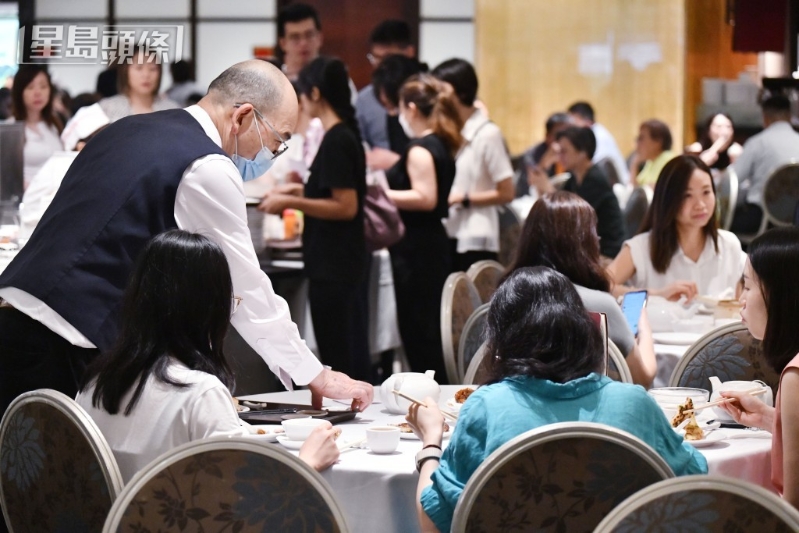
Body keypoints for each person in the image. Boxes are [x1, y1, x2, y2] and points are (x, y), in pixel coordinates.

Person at [0, 59, 373, 419]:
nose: (272, 154)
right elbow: (245, 289)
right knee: (51, 479)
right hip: (62, 340)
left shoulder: (126, 127)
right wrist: (314, 374)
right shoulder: (207, 166)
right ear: (242, 117)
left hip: (16, 310)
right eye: (277, 140)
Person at [406, 266, 708, 533]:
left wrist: (431, 442)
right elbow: (692, 481)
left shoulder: (486, 407)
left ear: (502, 340)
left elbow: (433, 522)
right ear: (582, 330)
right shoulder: (634, 403)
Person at [77, 230, 341, 482]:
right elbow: (239, 503)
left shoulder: (92, 385)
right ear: (208, 310)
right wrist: (308, 463)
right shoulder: (200, 394)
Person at [259, 57, 369, 381]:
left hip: (335, 263)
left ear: (316, 93)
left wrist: (292, 200)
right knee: (344, 342)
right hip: (338, 261)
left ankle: (349, 407)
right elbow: (331, 191)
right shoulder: (342, 134)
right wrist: (299, 188)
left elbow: (345, 205)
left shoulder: (337, 138)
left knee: (339, 347)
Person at [507, 191, 656, 386]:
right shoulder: (600, 306)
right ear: (582, 242)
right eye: (593, 231)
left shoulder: (507, 296)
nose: (599, 238)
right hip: (587, 415)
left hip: (520, 410)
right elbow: (643, 378)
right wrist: (643, 323)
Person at [385, 74, 462, 383]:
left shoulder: (419, 149)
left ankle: (425, 394)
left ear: (412, 108)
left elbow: (426, 197)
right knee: (428, 327)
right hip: (431, 244)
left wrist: (379, 194)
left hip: (417, 249)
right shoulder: (442, 143)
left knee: (420, 330)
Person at [719, 227, 799, 508]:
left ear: (780, 297)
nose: (741, 298)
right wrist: (768, 417)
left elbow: (794, 507)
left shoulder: (796, 376)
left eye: (749, 286)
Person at [607, 155, 745, 301]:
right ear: (668, 200)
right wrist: (657, 295)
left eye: (706, 192)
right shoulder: (642, 248)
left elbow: (754, 289)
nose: (700, 205)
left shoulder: (728, 244)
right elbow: (602, 287)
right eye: (687, 195)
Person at [431, 58, 514, 271]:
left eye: (442, 89)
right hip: (450, 229)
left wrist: (465, 199)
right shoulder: (450, 130)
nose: (437, 96)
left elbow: (506, 192)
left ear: (460, 91)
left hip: (476, 234)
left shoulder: (487, 133)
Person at [529, 126, 624, 259]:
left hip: (605, 254)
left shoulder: (596, 180)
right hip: (585, 249)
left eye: (564, 151)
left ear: (582, 152)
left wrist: (548, 188)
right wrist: (542, 180)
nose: (559, 157)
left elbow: (572, 217)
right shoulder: (574, 179)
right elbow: (553, 212)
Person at [61, 47, 179, 150]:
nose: (146, 75)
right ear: (125, 71)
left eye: (152, 69)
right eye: (139, 68)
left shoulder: (173, 111)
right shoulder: (107, 108)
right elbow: (74, 137)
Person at [730, 95, 799, 234]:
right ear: (790, 116)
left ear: (765, 117)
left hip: (762, 220)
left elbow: (733, 180)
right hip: (796, 219)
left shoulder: (757, 142)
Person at [356, 19, 416, 165]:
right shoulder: (364, 99)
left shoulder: (427, 93)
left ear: (409, 52)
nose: (382, 66)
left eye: (388, 59)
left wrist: (397, 163)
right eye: (376, 59)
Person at [9, 65, 64, 188]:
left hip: (55, 195)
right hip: (26, 197)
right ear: (20, 92)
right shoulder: (11, 128)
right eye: (30, 87)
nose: (38, 93)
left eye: (43, 86)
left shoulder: (54, 122)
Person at [369, 54, 427, 169]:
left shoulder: (426, 118)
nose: (392, 112)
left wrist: (396, 161)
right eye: (386, 106)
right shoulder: (393, 116)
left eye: (394, 106)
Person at [568, 101, 630, 185]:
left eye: (573, 121)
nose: (569, 127)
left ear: (587, 121)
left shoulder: (599, 137)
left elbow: (591, 167)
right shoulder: (595, 133)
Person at [515, 111, 571, 198]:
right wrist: (544, 164)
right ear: (547, 136)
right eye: (558, 135)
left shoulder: (574, 154)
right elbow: (526, 190)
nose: (563, 140)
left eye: (568, 135)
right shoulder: (531, 155)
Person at [277, 3, 324, 82]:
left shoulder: (336, 79)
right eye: (295, 37)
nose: (303, 43)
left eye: (309, 35)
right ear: (283, 44)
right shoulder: (273, 82)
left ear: (320, 38)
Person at [630, 119, 676, 187]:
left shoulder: (668, 159)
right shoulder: (651, 161)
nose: (637, 144)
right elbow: (635, 188)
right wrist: (635, 165)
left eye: (641, 139)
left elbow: (655, 188)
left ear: (658, 142)